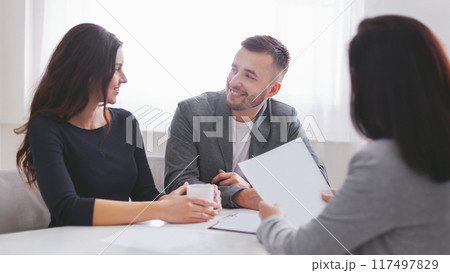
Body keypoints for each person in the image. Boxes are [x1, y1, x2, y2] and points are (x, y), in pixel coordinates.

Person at [257, 15, 450, 254]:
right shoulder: (429, 147)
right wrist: (358, 199)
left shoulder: (383, 160)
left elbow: (300, 251)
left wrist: (272, 219)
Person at [15, 23, 221, 227]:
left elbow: (145, 194)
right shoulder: (45, 127)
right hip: (70, 245)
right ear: (87, 73)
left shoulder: (126, 121)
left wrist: (178, 201)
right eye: (116, 69)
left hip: (122, 240)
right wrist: (162, 209)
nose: (124, 79)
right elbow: (68, 209)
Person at [164, 35, 328, 210]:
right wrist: (239, 195)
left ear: (272, 90)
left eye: (249, 76)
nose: (234, 82)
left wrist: (250, 188)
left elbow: (318, 186)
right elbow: (178, 183)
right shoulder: (191, 112)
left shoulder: (284, 118)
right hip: (202, 222)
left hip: (260, 223)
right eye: (234, 69)